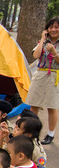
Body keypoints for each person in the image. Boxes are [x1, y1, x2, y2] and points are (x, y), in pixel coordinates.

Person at [24, 17, 59, 145]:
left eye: (56, 27)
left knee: (51, 106)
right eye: (51, 27)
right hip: (40, 74)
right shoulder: (43, 41)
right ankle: (31, 131)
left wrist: (53, 51)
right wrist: (42, 40)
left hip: (54, 76)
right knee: (34, 104)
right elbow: (36, 55)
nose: (53, 30)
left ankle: (50, 134)